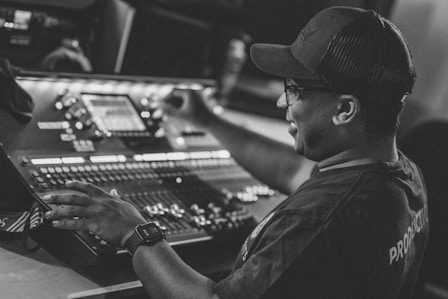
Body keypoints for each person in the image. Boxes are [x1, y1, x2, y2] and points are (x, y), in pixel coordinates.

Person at [42, 6, 429, 299]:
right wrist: (209, 121)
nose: (281, 101)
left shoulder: (317, 220)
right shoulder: (399, 175)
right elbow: (290, 170)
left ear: (345, 109)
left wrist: (136, 232)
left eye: (295, 89)